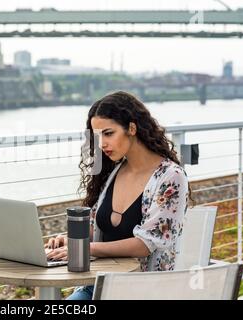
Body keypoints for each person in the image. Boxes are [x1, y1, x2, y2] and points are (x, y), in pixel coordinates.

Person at [45, 91, 193, 300]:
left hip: (144, 291)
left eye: (108, 133)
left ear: (132, 128)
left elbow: (145, 244)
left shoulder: (171, 177)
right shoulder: (113, 172)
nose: (102, 144)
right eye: (97, 137)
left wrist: (86, 249)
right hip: (99, 286)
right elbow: (100, 228)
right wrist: (70, 242)